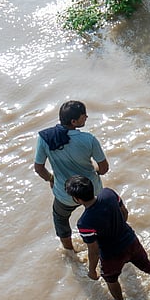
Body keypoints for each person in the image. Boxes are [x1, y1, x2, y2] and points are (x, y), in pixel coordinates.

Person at [64, 175, 150, 300]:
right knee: (149, 267)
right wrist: (119, 227)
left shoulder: (84, 223)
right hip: (131, 241)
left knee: (111, 279)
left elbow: (94, 251)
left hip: (111, 255)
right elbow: (125, 212)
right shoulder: (109, 194)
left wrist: (92, 270)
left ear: (78, 199)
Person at [33, 101, 108, 251]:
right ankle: (104, 246)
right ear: (74, 121)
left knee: (61, 220)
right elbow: (104, 168)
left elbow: (39, 168)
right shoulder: (89, 139)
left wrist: (51, 178)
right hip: (91, 190)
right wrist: (97, 171)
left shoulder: (45, 138)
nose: (86, 117)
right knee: (101, 217)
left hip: (65, 193)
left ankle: (69, 251)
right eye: (83, 115)